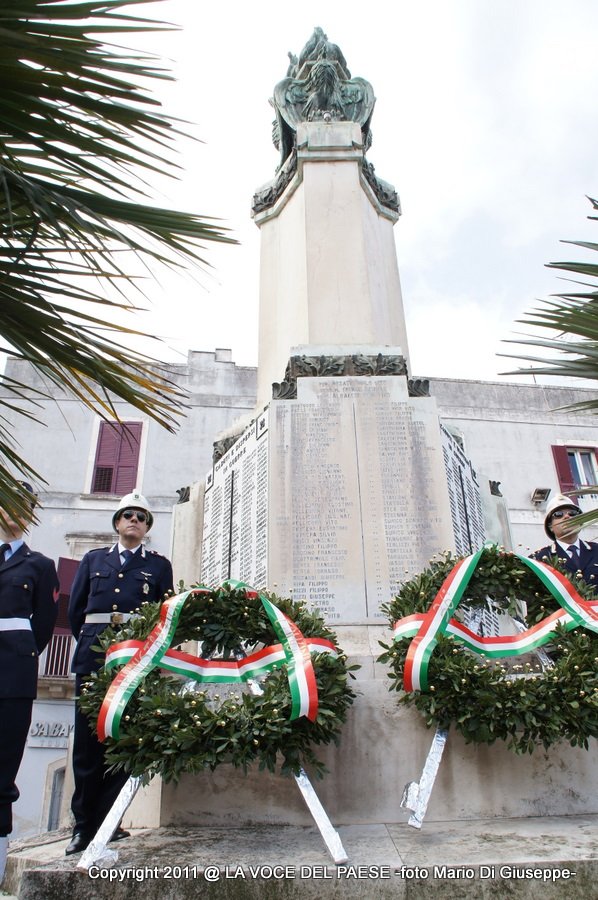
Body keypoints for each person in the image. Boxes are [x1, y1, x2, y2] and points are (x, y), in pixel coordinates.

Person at [66, 490, 173, 856]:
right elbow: (75, 611)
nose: (134, 521)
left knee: (123, 741)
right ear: (117, 522)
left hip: (133, 661)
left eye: (141, 517)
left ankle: (110, 823)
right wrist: (93, 646)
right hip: (94, 658)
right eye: (128, 515)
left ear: (147, 528)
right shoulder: (93, 559)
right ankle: (83, 827)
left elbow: (164, 615)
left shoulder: (158, 566)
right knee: (87, 742)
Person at [0, 484, 58, 882]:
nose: (15, 514)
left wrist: (22, 653)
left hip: (14, 668)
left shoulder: (39, 564)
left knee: (4, 761)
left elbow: (44, 624)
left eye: (24, 507)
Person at [532, 492, 598, 587]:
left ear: (580, 522)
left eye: (572, 513)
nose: (567, 516)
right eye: (559, 514)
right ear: (550, 526)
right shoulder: (540, 559)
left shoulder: (596, 550)